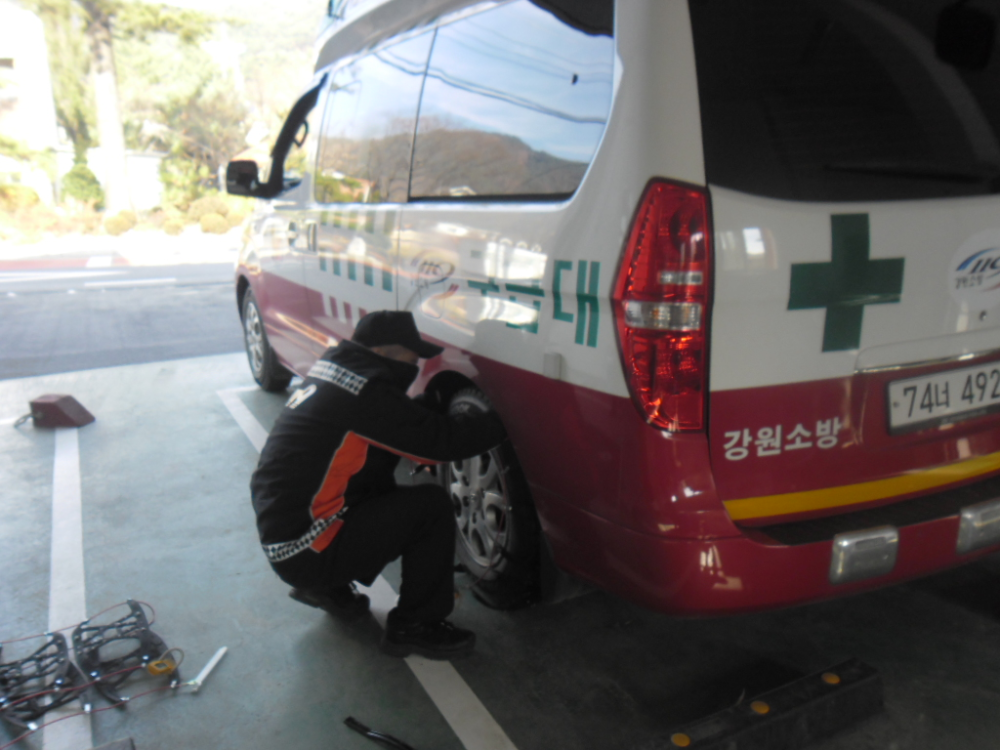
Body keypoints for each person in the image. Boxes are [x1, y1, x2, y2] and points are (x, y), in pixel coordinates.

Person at [250, 310, 506, 660]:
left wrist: (425, 409)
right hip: (306, 549)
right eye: (410, 359)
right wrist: (502, 419)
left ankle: (326, 587)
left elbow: (389, 425)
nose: (414, 366)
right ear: (383, 352)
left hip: (287, 538)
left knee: (371, 475)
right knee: (430, 507)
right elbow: (441, 444)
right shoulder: (365, 393)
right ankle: (415, 625)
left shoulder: (336, 372)